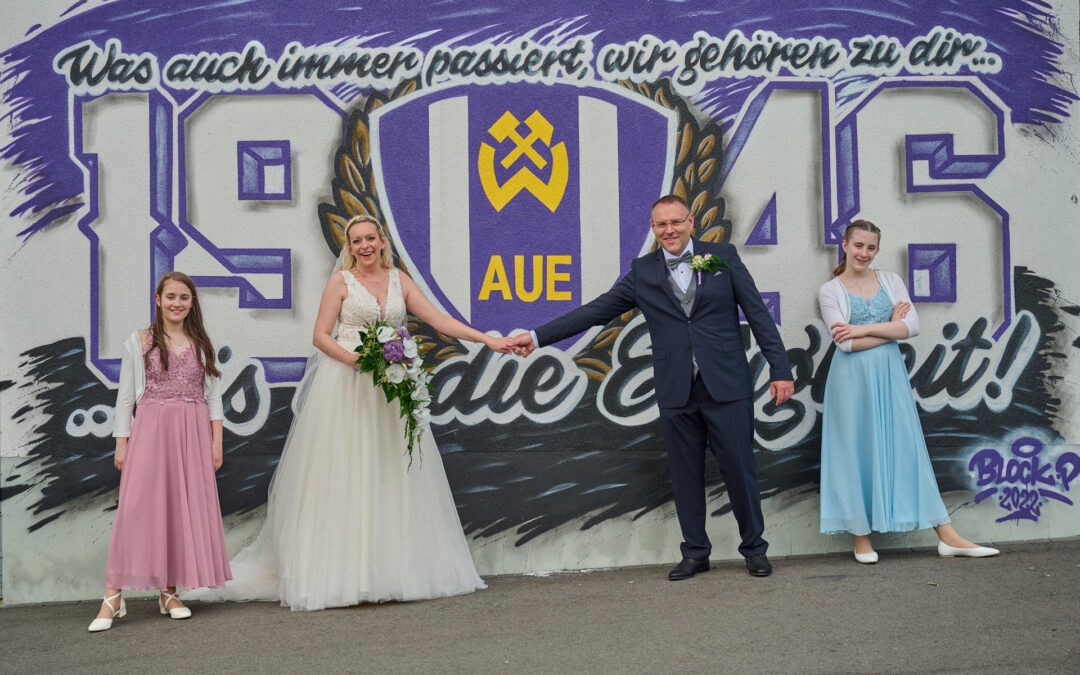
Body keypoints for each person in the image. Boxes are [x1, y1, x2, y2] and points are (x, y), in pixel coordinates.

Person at [187, 215, 513, 611]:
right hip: (346, 387)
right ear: (349, 246)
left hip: (389, 390)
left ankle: (390, 570)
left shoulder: (400, 280)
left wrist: (487, 340)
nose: (364, 246)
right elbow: (320, 335)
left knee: (391, 472)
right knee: (346, 472)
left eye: (370, 238)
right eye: (356, 240)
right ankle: (344, 574)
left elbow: (437, 319)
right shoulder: (341, 282)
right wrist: (353, 359)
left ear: (382, 241)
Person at [509, 195, 794, 580]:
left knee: (740, 470)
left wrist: (780, 369)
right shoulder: (643, 272)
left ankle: (754, 549)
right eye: (661, 225)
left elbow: (757, 314)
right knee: (684, 473)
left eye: (676, 222)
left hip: (727, 384)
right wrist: (536, 337)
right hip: (676, 387)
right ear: (653, 228)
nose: (669, 230)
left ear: (690, 222)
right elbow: (596, 310)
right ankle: (696, 553)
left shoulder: (720, 257)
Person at [817, 220, 999, 563]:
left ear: (877, 249)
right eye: (858, 245)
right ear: (845, 245)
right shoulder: (830, 290)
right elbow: (845, 344)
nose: (864, 253)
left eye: (871, 247)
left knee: (907, 448)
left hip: (890, 377)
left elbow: (912, 326)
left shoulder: (891, 281)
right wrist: (890, 327)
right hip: (850, 382)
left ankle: (948, 537)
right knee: (852, 451)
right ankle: (861, 539)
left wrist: (862, 328)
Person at [89, 272, 230, 632]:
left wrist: (216, 443)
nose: (177, 303)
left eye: (184, 297)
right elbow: (125, 398)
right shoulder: (140, 341)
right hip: (150, 432)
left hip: (192, 436)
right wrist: (122, 443)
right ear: (157, 299)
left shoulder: (201, 344)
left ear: (192, 303)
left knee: (177, 511)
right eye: (171, 296)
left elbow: (213, 398)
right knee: (135, 511)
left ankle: (169, 593)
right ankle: (112, 596)